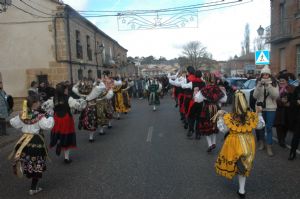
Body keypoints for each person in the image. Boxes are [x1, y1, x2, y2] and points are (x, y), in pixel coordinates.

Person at [214, 91, 265, 198]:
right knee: (243, 166)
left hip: (233, 144)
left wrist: (219, 117)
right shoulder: (251, 116)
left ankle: (241, 189)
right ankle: (242, 190)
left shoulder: (229, 117)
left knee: (237, 165)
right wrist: (259, 114)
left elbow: (223, 130)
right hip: (248, 144)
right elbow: (260, 126)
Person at [9, 94, 54, 195]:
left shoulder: (24, 114)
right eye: (38, 101)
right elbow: (48, 125)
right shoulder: (39, 116)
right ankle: (33, 188)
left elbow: (13, 122)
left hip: (24, 142)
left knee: (29, 162)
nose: (39, 103)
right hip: (36, 141)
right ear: (35, 103)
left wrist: (20, 115)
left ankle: (32, 183)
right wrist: (50, 115)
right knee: (36, 164)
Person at [49, 82, 86, 164]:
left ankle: (59, 140)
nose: (67, 90)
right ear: (63, 90)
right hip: (66, 118)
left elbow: (48, 107)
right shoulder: (68, 98)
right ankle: (66, 158)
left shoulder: (54, 98)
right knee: (67, 136)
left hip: (57, 118)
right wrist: (83, 104)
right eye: (66, 89)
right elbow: (78, 106)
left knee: (59, 133)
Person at [194, 72, 227, 152]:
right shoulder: (218, 88)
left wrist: (195, 92)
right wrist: (224, 92)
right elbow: (224, 99)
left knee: (206, 126)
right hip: (216, 108)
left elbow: (197, 100)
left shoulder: (204, 89)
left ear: (206, 80)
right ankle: (214, 142)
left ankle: (209, 144)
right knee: (214, 125)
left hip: (207, 109)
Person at [253, 65, 279, 156]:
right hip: (260, 108)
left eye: (266, 74)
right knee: (260, 126)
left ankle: (269, 146)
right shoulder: (258, 82)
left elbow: (275, 96)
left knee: (269, 127)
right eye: (263, 74)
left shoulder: (274, 83)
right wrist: (259, 86)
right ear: (261, 75)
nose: (265, 76)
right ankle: (261, 143)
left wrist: (268, 86)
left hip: (271, 108)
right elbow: (255, 96)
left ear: (269, 75)